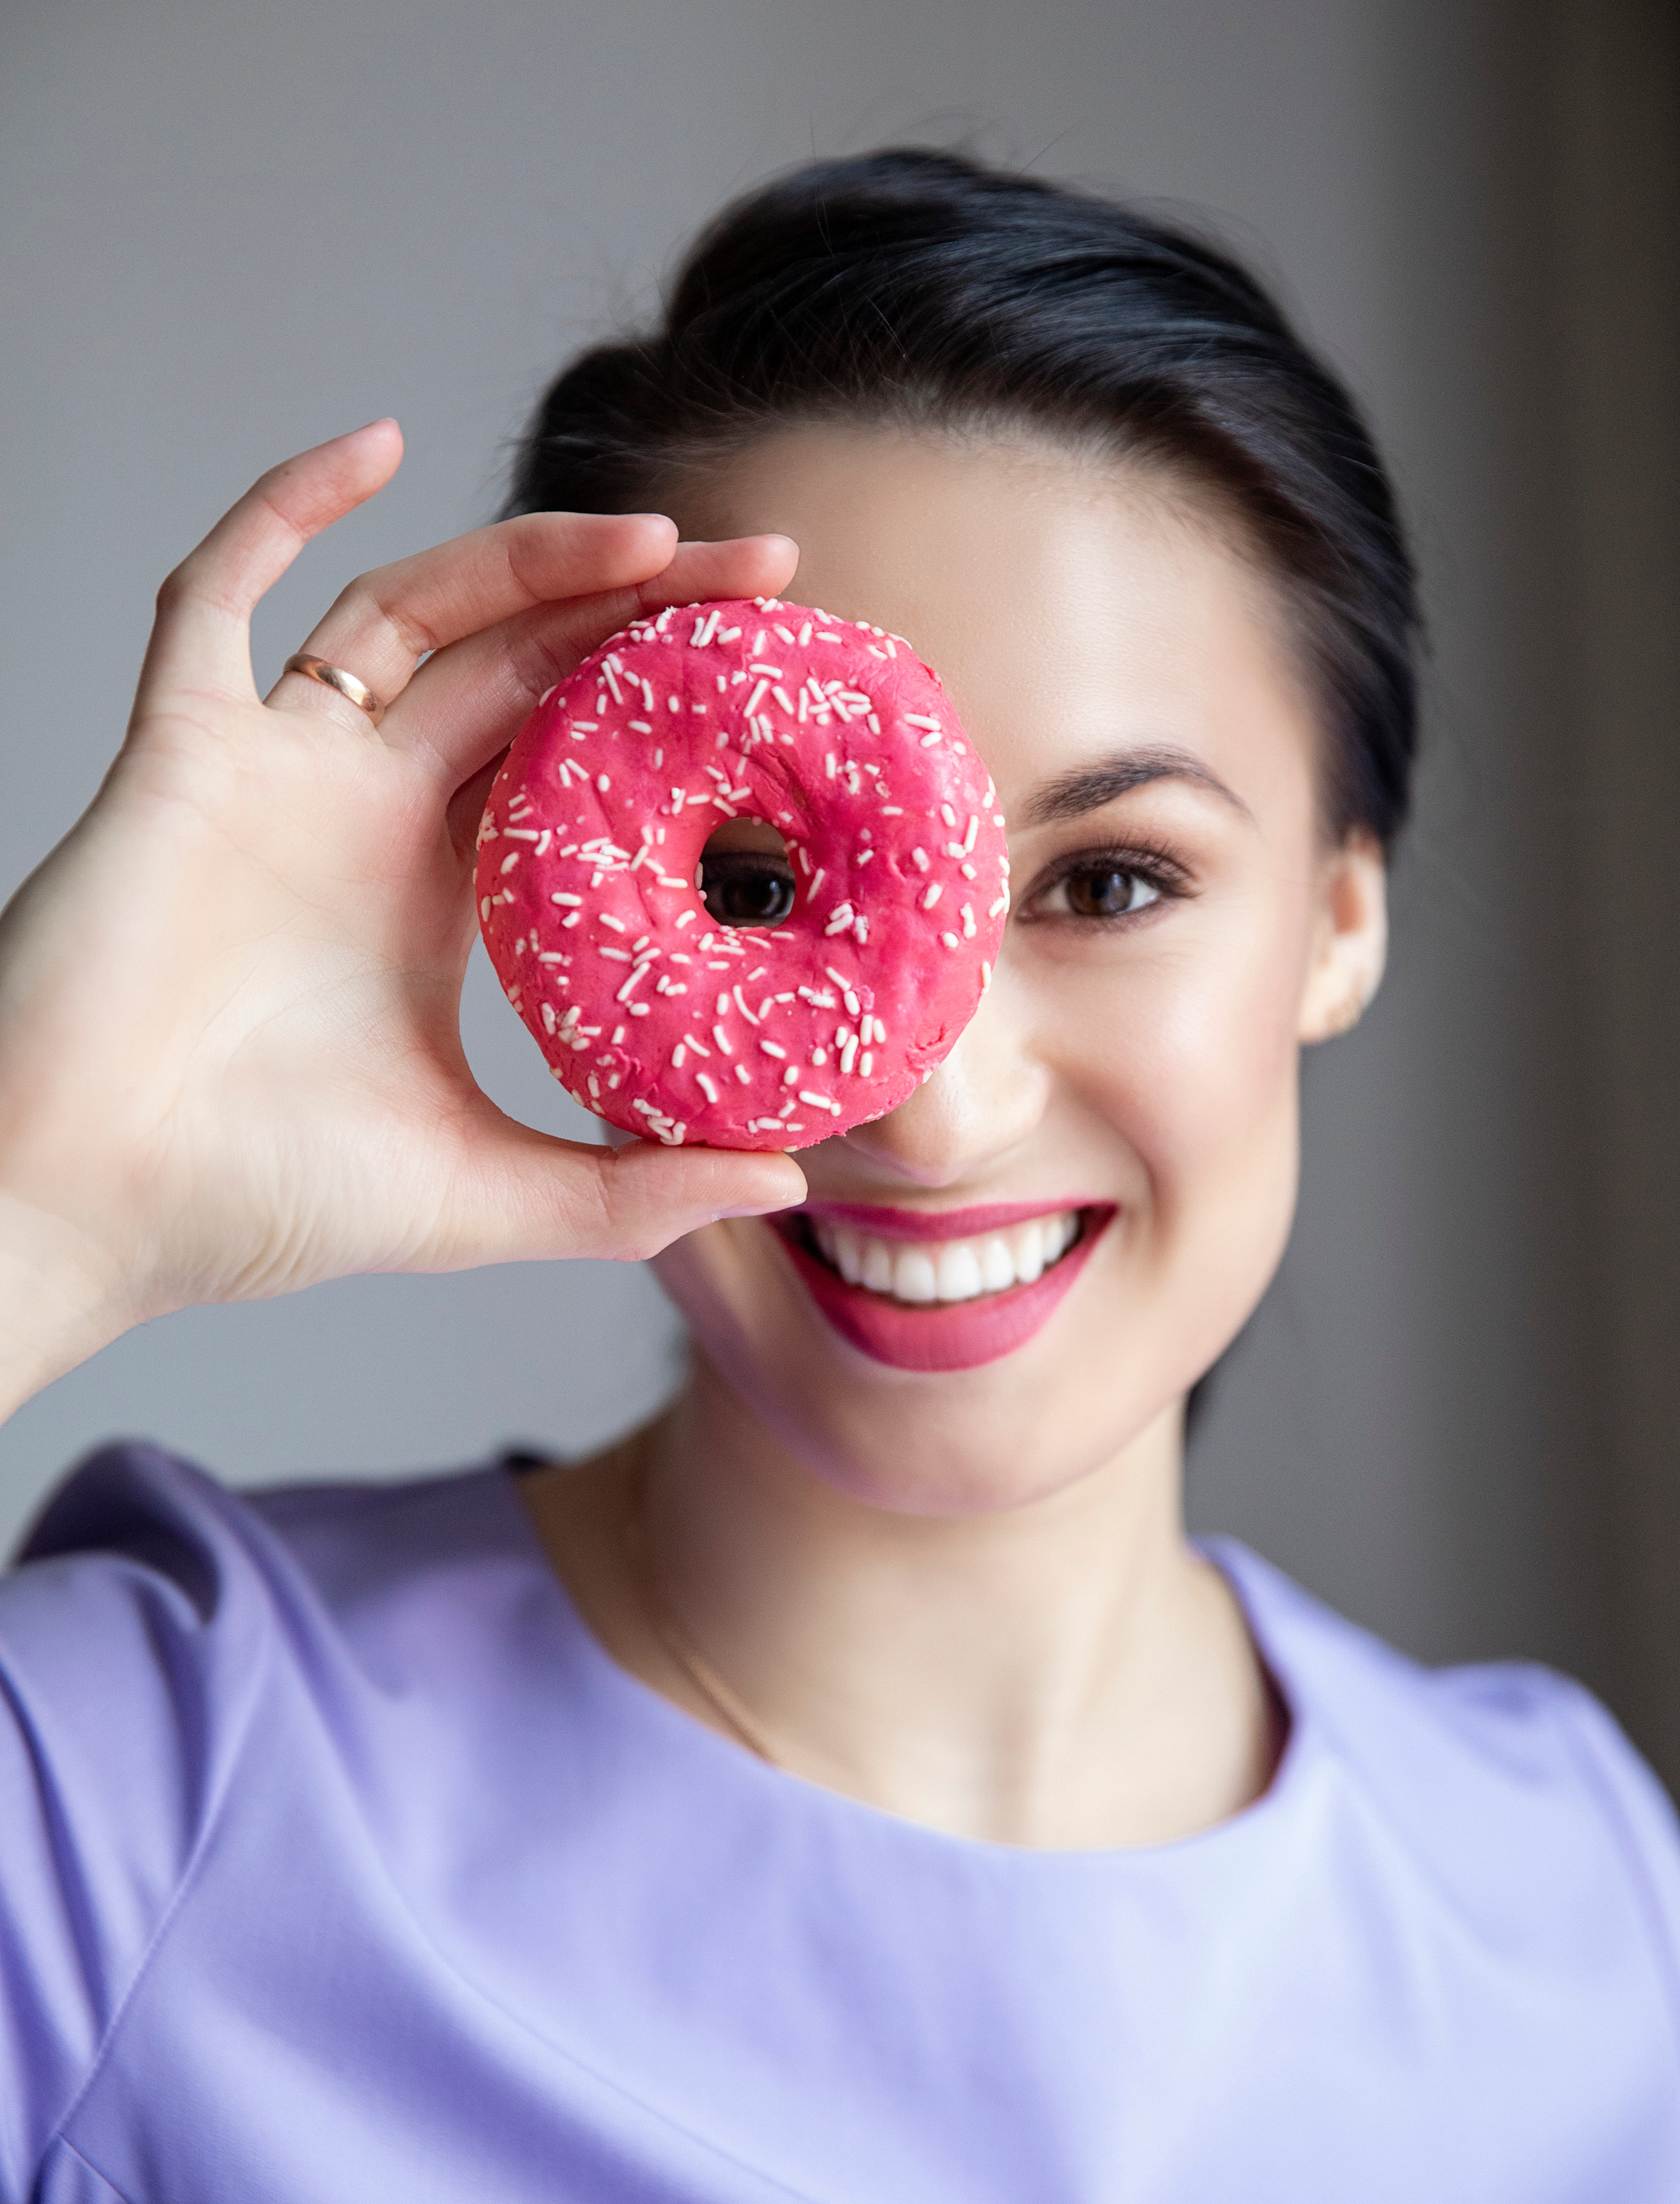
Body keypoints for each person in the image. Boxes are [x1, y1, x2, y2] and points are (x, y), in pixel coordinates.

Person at [0, 150, 1675, 2203]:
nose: (936, 1107)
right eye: (757, 882)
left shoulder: (1590, 1921)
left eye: (1110, 881)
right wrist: (38, 1181)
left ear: (1341, 920)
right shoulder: (126, 1800)